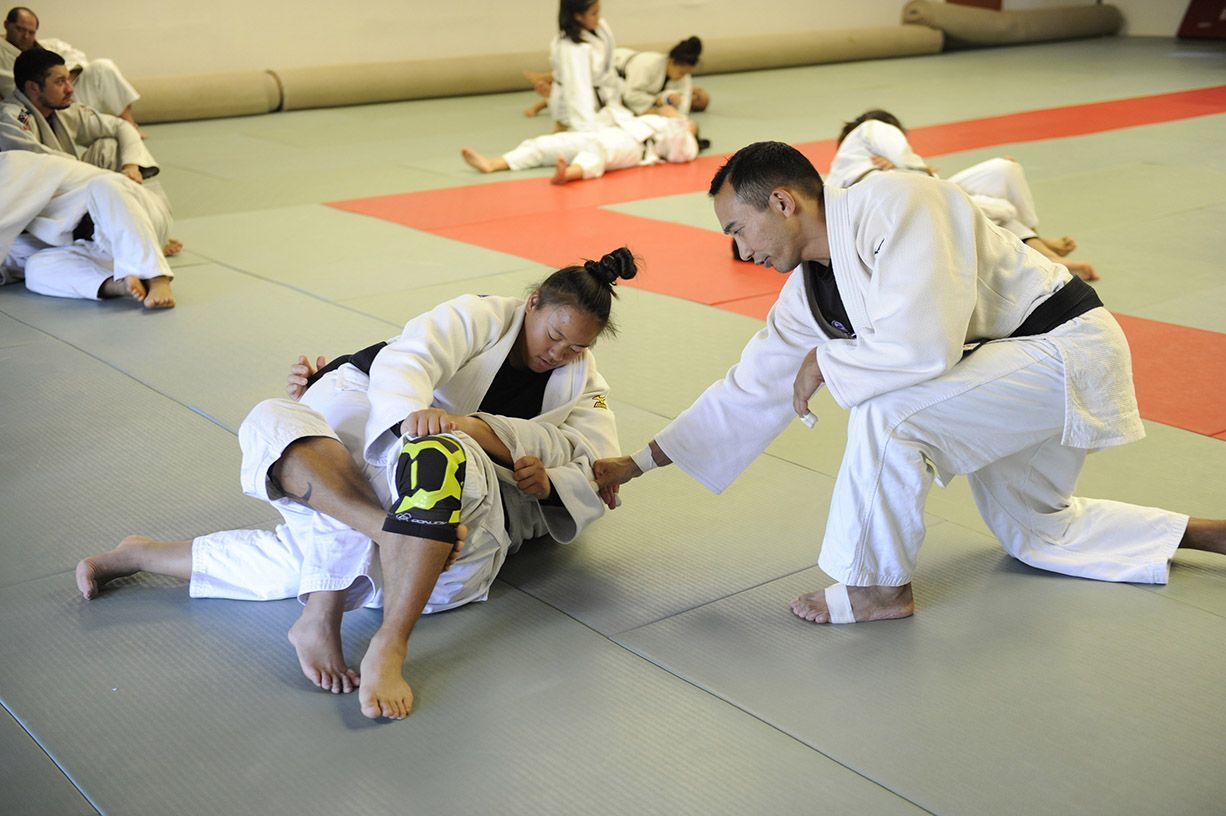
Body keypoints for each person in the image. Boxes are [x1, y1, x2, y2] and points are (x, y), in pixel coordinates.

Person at [593, 141, 1226, 626]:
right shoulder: (804, 299)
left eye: (737, 229)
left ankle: (878, 587)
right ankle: (1199, 532)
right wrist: (639, 464)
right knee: (1034, 534)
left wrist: (825, 364)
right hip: (1003, 374)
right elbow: (746, 390)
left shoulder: (900, 201)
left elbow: (924, 347)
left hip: (1061, 349)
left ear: (783, 201)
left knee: (892, 414)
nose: (739, 248)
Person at [76, 249, 638, 720]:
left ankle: (374, 629)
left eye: (577, 348)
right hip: (390, 443)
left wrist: (491, 438)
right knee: (278, 420)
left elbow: (596, 462)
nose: (559, 354)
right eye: (555, 336)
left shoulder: (581, 382)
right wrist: (405, 418)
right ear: (533, 301)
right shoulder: (481, 315)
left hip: (450, 507)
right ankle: (385, 602)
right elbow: (407, 358)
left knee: (411, 475)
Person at [827, 109, 1098, 281]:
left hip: (931, 193)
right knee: (1000, 210)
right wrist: (907, 165)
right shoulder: (870, 131)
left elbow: (918, 171)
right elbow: (901, 157)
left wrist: (908, 167)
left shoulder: (894, 162)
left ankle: (1041, 243)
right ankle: (1048, 254)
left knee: (1004, 169)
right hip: (919, 207)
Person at [1, 48, 181, 259]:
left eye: (69, 80)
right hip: (35, 213)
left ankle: (133, 232)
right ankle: (125, 239)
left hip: (70, 192)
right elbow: (45, 164)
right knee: (28, 255)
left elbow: (120, 126)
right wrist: (110, 180)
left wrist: (130, 165)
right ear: (33, 87)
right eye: (60, 82)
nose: (70, 89)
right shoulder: (11, 118)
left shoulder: (63, 109)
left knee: (109, 146)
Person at [0, 149, 174, 306]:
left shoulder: (12, 165)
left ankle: (156, 277)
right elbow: (12, 258)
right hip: (103, 247)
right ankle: (117, 285)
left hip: (135, 210)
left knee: (104, 185)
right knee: (36, 268)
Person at [1, 7, 143, 131]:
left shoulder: (50, 46)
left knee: (102, 66)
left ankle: (128, 123)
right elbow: (14, 87)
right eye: (20, 29)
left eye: (31, 32)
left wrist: (61, 81)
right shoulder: (2, 55)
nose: (26, 36)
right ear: (7, 25)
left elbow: (79, 58)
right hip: (40, 104)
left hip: (70, 94)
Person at [462, 110, 699, 184]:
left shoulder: (685, 139)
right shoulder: (656, 118)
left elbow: (681, 154)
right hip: (612, 129)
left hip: (635, 147)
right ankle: (494, 163)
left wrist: (682, 123)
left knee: (600, 150)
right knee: (550, 143)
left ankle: (569, 174)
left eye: (692, 126)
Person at [523, 37, 711, 120]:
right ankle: (542, 78)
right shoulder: (650, 64)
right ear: (672, 60)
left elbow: (682, 109)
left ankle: (543, 100)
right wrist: (658, 103)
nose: (682, 75)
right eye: (680, 69)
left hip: (623, 86)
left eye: (687, 72)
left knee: (579, 93)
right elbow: (631, 94)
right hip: (614, 66)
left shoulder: (684, 77)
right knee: (575, 76)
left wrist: (673, 112)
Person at [548, 0, 623, 132]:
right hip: (574, 105)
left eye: (598, 11)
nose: (598, 18)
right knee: (576, 142)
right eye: (593, 13)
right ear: (578, 16)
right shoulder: (572, 48)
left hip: (601, 99)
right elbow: (577, 90)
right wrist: (587, 130)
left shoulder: (600, 28)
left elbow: (608, 67)